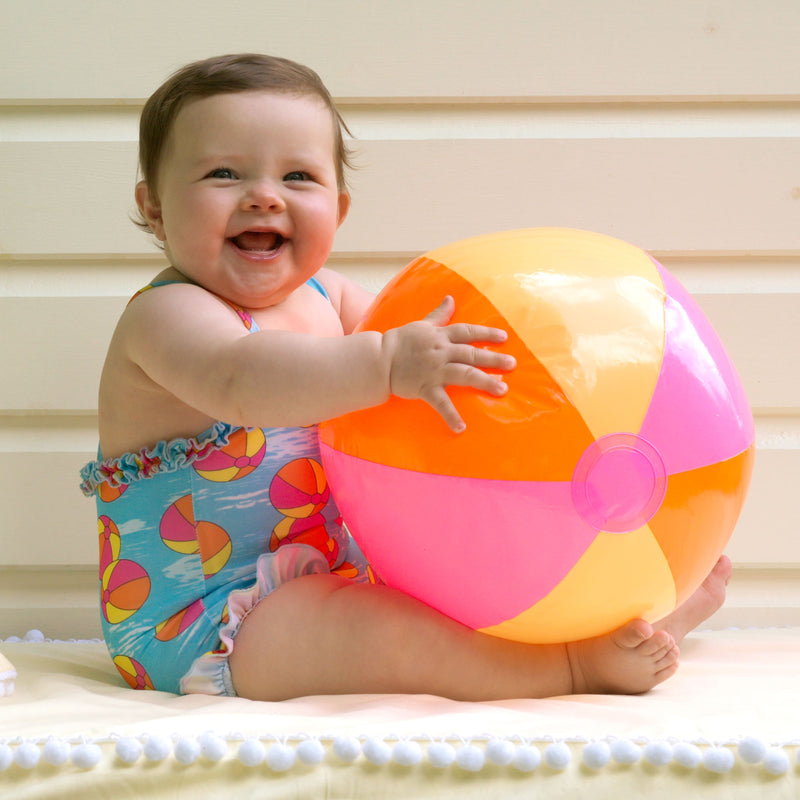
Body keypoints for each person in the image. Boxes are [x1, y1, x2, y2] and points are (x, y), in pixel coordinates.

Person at [80, 53, 730, 701]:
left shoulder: (330, 298)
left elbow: (422, 393)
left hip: (341, 575)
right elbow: (240, 381)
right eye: (223, 172)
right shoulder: (169, 315)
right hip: (202, 624)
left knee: (457, 593)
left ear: (339, 207)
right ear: (156, 207)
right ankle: (568, 668)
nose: (264, 194)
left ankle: (627, 622)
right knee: (386, 641)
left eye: (298, 176)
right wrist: (389, 363)